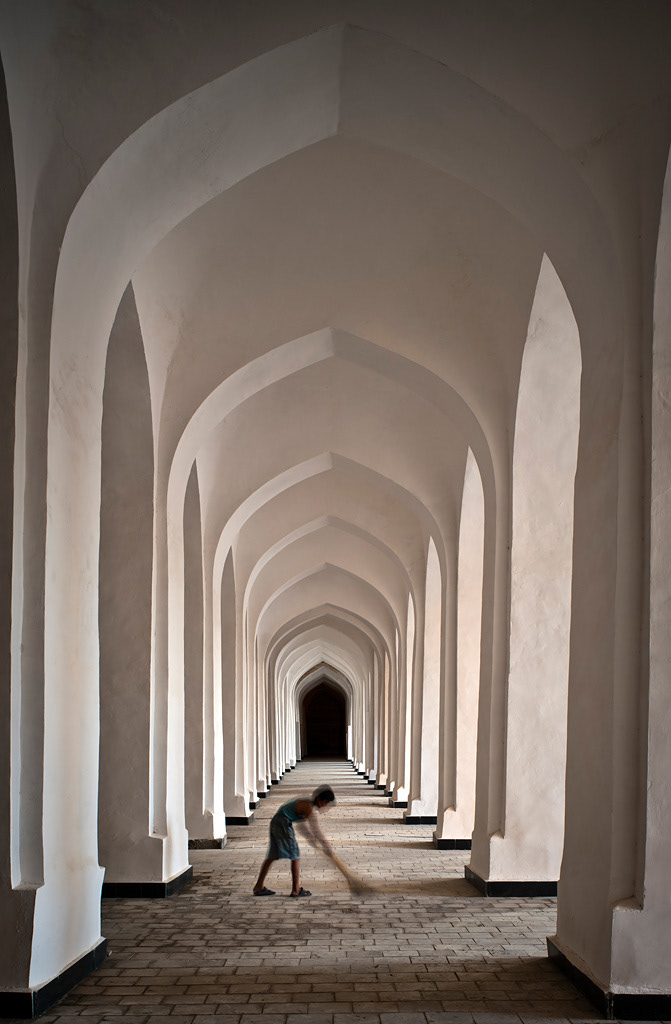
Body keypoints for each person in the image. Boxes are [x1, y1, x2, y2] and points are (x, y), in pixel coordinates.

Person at [253, 785, 336, 897]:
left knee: (272, 856)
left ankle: (259, 887)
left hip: (277, 822)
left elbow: (303, 827)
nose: (325, 806)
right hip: (283, 824)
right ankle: (296, 889)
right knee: (295, 856)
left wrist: (312, 840)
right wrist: (326, 846)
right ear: (319, 799)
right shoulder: (308, 807)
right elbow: (316, 830)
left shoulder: (306, 802)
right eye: (325, 802)